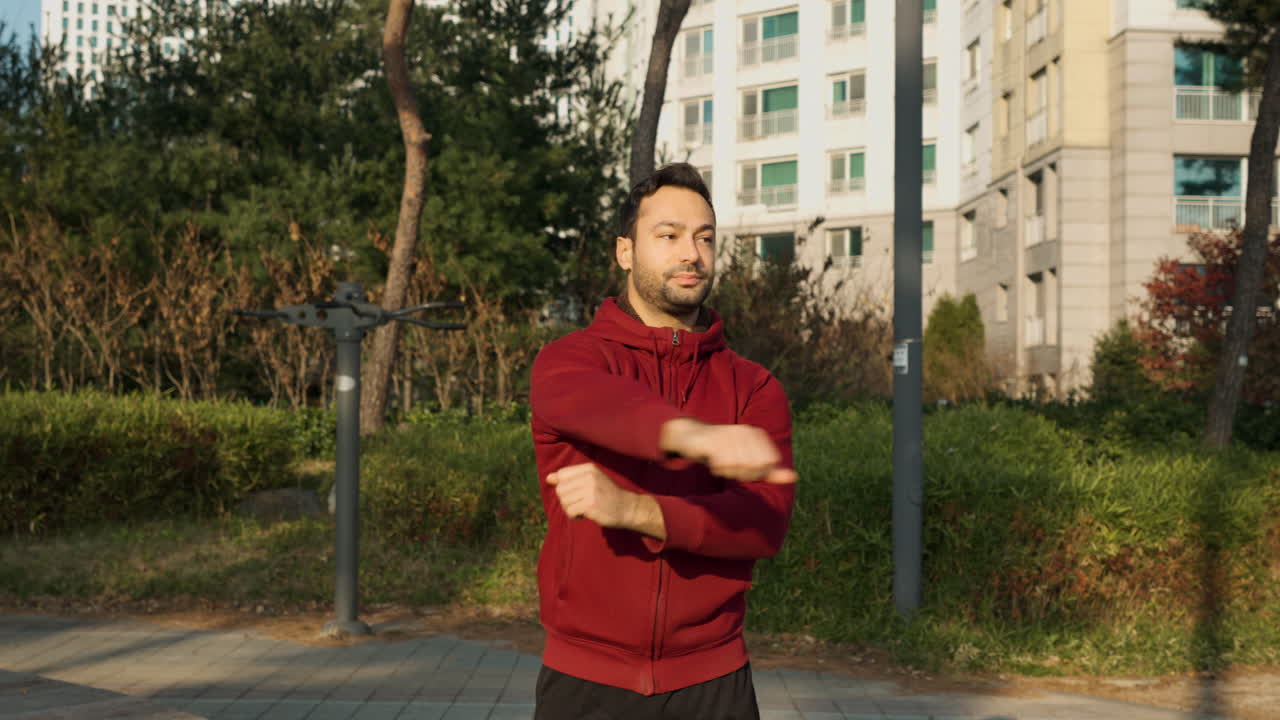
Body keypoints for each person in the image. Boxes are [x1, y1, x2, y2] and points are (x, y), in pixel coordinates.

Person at [528, 162, 798, 719]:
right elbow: (601, 408)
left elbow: (764, 524)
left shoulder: (754, 387)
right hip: (585, 680)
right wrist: (695, 438)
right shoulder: (571, 360)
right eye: (668, 235)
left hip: (713, 679)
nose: (691, 254)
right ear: (625, 252)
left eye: (704, 238)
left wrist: (637, 510)